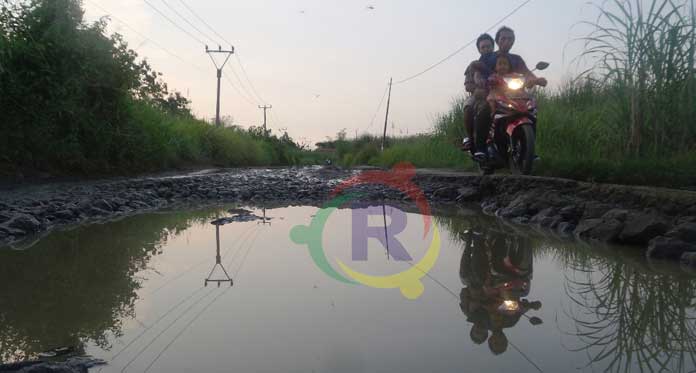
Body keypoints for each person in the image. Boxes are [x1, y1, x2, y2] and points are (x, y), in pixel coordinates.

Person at [469, 26, 547, 160]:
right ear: (498, 40)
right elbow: (478, 71)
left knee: (531, 110)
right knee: (485, 109)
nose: (507, 41)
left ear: (514, 41)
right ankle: (480, 149)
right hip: (494, 93)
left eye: (510, 39)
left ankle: (528, 149)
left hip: (515, 94)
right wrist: (479, 79)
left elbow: (527, 73)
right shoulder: (488, 57)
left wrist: (536, 80)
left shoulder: (517, 59)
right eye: (503, 38)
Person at [461, 33, 495, 152]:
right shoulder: (473, 65)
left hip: (501, 94)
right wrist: (476, 90)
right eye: (483, 47)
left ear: (493, 46)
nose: (486, 49)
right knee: (468, 106)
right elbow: (468, 85)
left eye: (489, 46)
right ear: (479, 50)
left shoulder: (501, 60)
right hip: (480, 95)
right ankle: (471, 139)